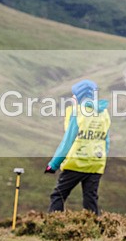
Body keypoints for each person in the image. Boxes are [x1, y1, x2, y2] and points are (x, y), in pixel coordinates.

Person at [44, 79, 110, 215]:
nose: (72, 97)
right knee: (90, 199)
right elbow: (106, 141)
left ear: (79, 95)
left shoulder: (78, 113)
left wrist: (53, 164)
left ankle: (53, 226)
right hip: (96, 164)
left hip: (76, 163)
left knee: (58, 195)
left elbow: (67, 141)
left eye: (74, 94)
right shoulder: (104, 113)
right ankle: (93, 231)